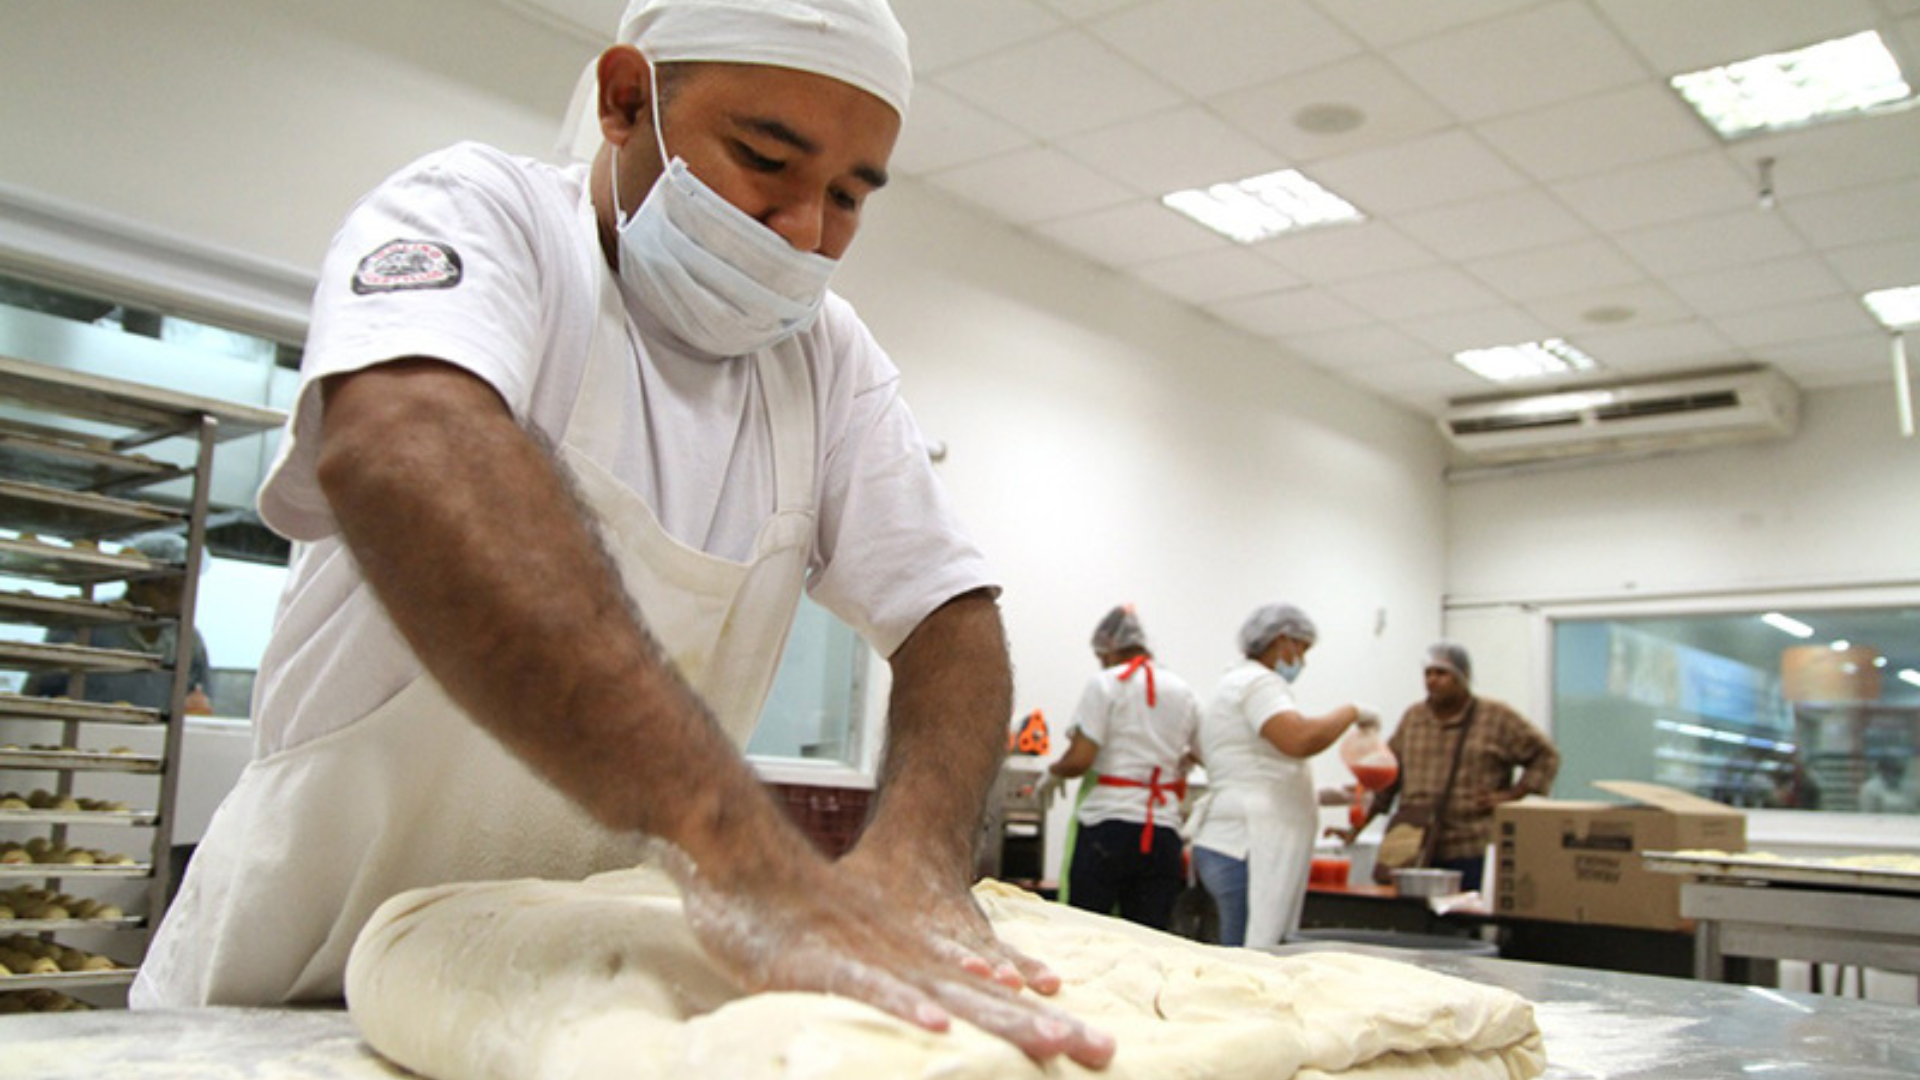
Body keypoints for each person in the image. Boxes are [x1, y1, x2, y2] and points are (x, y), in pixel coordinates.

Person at [131, 0, 1113, 1066]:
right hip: (291, 985)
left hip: (571, 997)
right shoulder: (485, 218)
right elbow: (399, 445)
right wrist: (741, 851)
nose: (803, 231)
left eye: (846, 197)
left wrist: (918, 858)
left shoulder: (827, 363)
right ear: (623, 99)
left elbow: (949, 615)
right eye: (764, 159)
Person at [1186, 603, 1372, 948]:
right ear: (1282, 640)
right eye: (1301, 649)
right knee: (1248, 957)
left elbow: (1257, 766)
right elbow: (1299, 739)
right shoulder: (1258, 683)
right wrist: (1351, 712)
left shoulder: (1233, 682)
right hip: (1246, 844)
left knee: (1241, 948)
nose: (1301, 660)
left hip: (1230, 839)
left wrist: (1335, 796)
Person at [1337, 642, 1559, 893]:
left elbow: (1546, 756)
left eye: (1441, 673)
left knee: (1466, 924)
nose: (1432, 680)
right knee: (1412, 923)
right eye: (1428, 673)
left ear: (1462, 677)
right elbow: (1389, 778)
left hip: (1471, 846)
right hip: (1414, 848)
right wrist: (1357, 827)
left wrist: (1512, 796)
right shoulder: (1414, 718)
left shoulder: (1496, 717)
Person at [1043, 606, 1200, 931]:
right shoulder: (1183, 691)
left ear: (1110, 648)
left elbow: (1080, 759)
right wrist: (1174, 764)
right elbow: (1202, 753)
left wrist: (1055, 771)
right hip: (1162, 833)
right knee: (1149, 939)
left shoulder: (1106, 684)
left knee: (1086, 933)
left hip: (1108, 829)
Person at [24, 532, 213, 715]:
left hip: (154, 742)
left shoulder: (187, 640)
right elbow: (37, 690)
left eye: (184, 589)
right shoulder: (88, 622)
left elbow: (200, 701)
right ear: (133, 582)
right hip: (82, 736)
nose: (177, 599)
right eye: (167, 588)